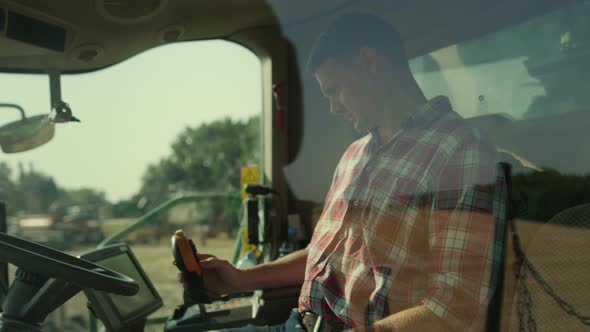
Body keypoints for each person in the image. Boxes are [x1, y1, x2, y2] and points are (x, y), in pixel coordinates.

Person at [183, 13, 501, 332]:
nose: (334, 107)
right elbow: (321, 255)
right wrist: (240, 279)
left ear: (368, 63)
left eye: (334, 90)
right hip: (299, 324)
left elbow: (455, 307)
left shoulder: (458, 151)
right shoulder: (354, 155)